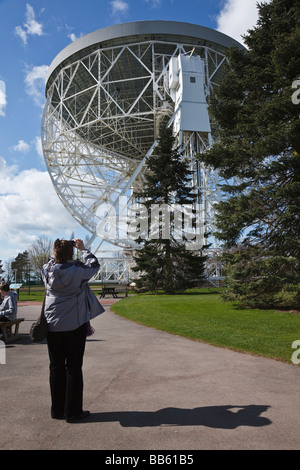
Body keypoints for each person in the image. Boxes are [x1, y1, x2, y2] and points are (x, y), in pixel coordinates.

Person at [41, 238, 104, 423]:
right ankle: (73, 412)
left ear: (55, 253)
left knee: (56, 366)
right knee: (74, 368)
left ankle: (57, 410)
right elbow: (94, 265)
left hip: (53, 326)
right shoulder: (78, 271)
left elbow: (49, 262)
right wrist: (83, 249)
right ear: (71, 253)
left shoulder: (47, 270)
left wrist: (58, 255)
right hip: (74, 325)